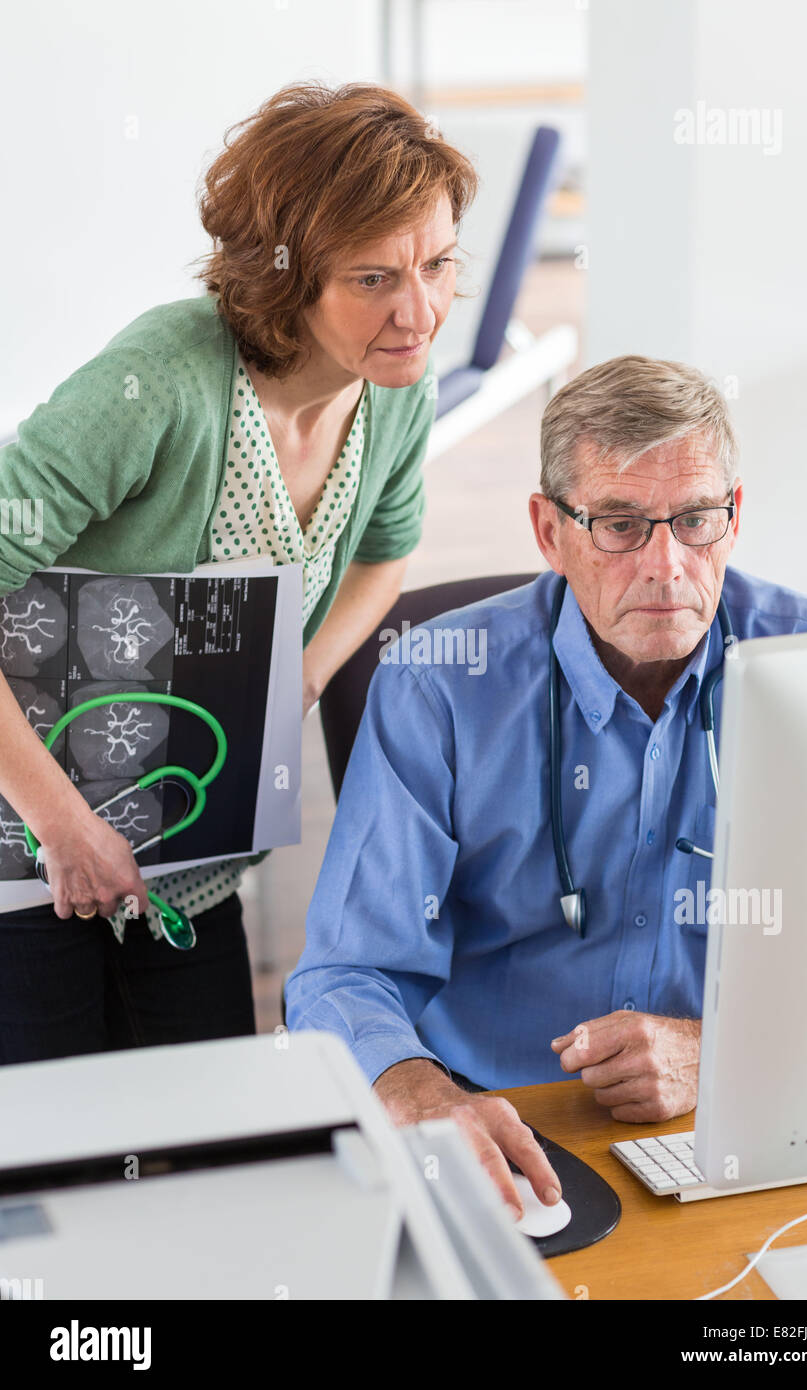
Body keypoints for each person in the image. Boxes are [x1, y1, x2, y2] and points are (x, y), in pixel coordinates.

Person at [284, 354, 807, 1222]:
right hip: (500, 1126)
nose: (668, 565)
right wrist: (423, 1097)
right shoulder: (435, 685)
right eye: (621, 525)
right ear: (549, 531)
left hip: (745, 1116)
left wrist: (723, 1054)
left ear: (734, 517)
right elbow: (346, 971)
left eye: (697, 519)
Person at [0, 82, 477, 1065]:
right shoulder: (160, 382)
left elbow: (385, 555)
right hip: (21, 841)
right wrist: (58, 820)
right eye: (372, 278)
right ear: (282, 276)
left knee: (211, 1142)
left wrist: (299, 670)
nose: (418, 310)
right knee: (57, 1176)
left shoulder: (394, 386)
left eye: (435, 264)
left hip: (186, 857)